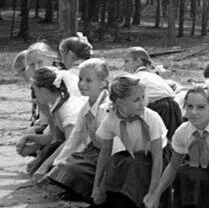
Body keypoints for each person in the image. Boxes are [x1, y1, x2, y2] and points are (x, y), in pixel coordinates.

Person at [146, 86, 209, 208]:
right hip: (201, 171)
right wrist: (156, 194)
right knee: (183, 172)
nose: (194, 112)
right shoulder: (184, 131)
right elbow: (173, 165)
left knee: (196, 177)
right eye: (190, 106)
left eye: (200, 107)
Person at [92, 75, 168, 208]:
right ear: (120, 103)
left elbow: (158, 158)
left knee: (135, 165)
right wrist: (96, 185)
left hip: (159, 156)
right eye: (136, 100)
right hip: (135, 154)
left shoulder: (151, 118)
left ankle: (138, 202)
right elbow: (104, 154)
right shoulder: (111, 119)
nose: (142, 103)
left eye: (143, 98)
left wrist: (152, 194)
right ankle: (111, 199)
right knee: (116, 161)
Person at [47, 58, 112, 200]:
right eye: (80, 79)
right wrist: (57, 162)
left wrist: (93, 131)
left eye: (88, 81)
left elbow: (108, 147)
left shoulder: (108, 108)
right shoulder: (86, 106)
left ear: (103, 83)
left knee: (74, 169)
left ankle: (95, 192)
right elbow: (74, 139)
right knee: (62, 167)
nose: (82, 84)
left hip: (108, 155)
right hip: (92, 151)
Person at [18, 66, 87, 178]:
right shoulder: (57, 106)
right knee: (49, 151)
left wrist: (44, 165)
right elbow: (54, 138)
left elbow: (71, 142)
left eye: (35, 90)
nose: (35, 95)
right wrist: (29, 138)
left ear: (43, 91)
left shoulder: (67, 109)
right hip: (76, 146)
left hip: (86, 150)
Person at [125, 47, 184, 140]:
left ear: (138, 61)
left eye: (127, 61)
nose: (124, 65)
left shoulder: (136, 78)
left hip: (159, 109)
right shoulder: (154, 76)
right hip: (174, 107)